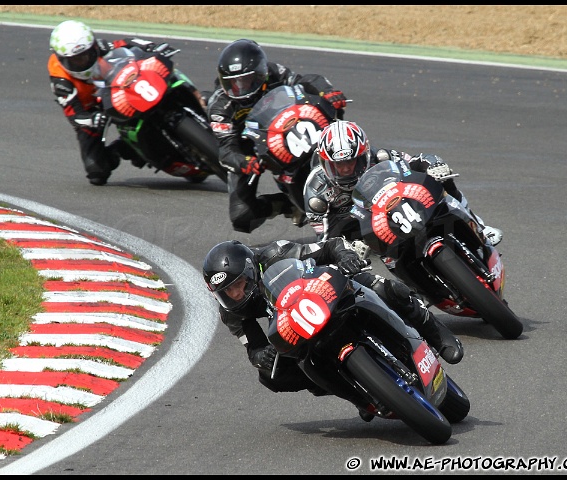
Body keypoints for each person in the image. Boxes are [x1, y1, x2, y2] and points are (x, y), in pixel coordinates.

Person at [202, 237, 464, 421]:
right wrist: (262, 356)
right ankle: (360, 393)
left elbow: (329, 246)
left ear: (251, 269)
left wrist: (345, 257)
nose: (236, 294)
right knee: (271, 376)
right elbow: (253, 347)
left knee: (388, 289)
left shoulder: (275, 253)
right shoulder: (231, 310)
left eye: (238, 285)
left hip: (326, 291)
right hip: (297, 325)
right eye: (227, 292)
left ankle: (437, 333)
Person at [206, 38, 349, 234]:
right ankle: (287, 204)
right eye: (232, 83)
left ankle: (362, 159)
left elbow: (304, 81)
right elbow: (226, 150)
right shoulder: (219, 107)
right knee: (242, 216)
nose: (239, 88)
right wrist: (243, 161)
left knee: (334, 115)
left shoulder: (273, 72)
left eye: (245, 81)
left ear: (260, 74)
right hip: (250, 149)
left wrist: (328, 92)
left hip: (290, 124)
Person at [303, 120, 504, 245]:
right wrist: (344, 247)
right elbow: (324, 237)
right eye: (338, 164)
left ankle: (477, 225)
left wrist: (434, 165)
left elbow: (416, 160)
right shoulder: (315, 190)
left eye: (350, 161)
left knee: (442, 181)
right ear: (325, 163)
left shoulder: (381, 157)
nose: (345, 168)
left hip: (394, 205)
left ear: (363, 155)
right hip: (357, 230)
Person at [48, 20, 172, 186]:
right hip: (92, 111)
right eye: (76, 60)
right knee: (96, 171)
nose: (83, 61)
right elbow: (74, 115)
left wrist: (149, 47)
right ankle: (123, 148)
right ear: (62, 60)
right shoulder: (60, 81)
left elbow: (125, 44)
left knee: (160, 77)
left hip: (116, 91)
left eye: (87, 55)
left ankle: (199, 101)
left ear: (93, 47)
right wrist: (92, 119)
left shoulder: (98, 46)